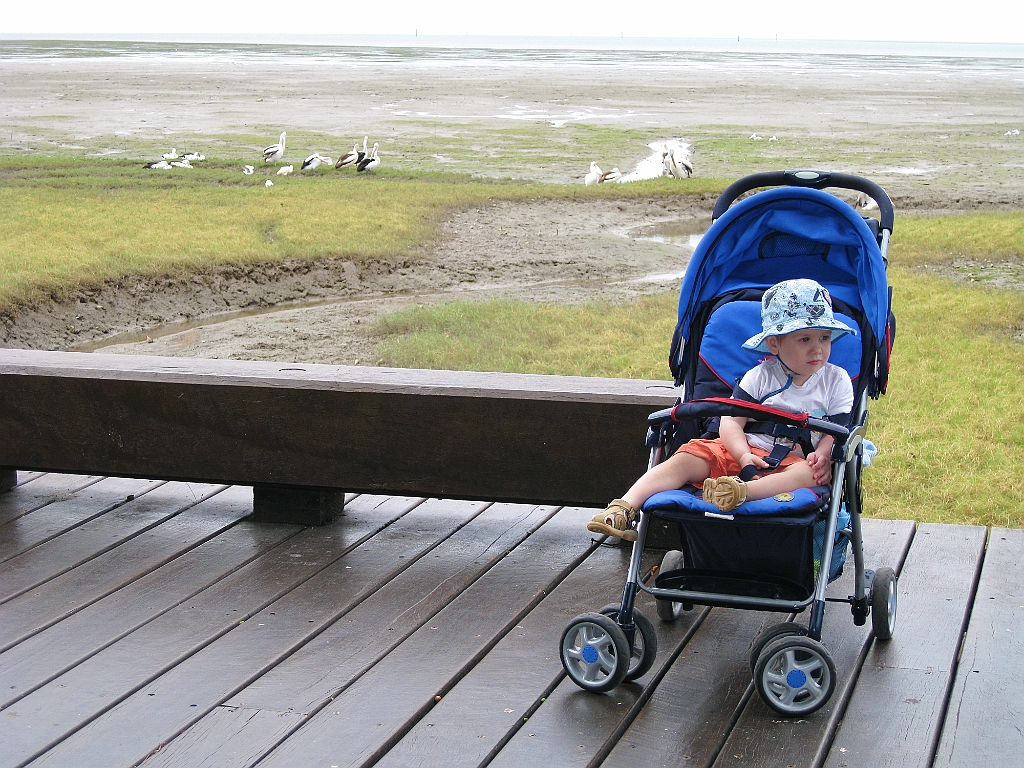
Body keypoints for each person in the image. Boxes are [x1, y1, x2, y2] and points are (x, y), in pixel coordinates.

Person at [587, 278, 856, 541]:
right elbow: (731, 422)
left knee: (809, 475)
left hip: (791, 461)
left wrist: (823, 455)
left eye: (824, 337)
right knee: (687, 457)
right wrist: (743, 456)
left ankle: (741, 493)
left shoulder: (836, 380)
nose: (818, 349)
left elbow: (838, 429)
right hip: (742, 449)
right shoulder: (760, 376)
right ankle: (624, 507)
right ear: (774, 343)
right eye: (805, 339)